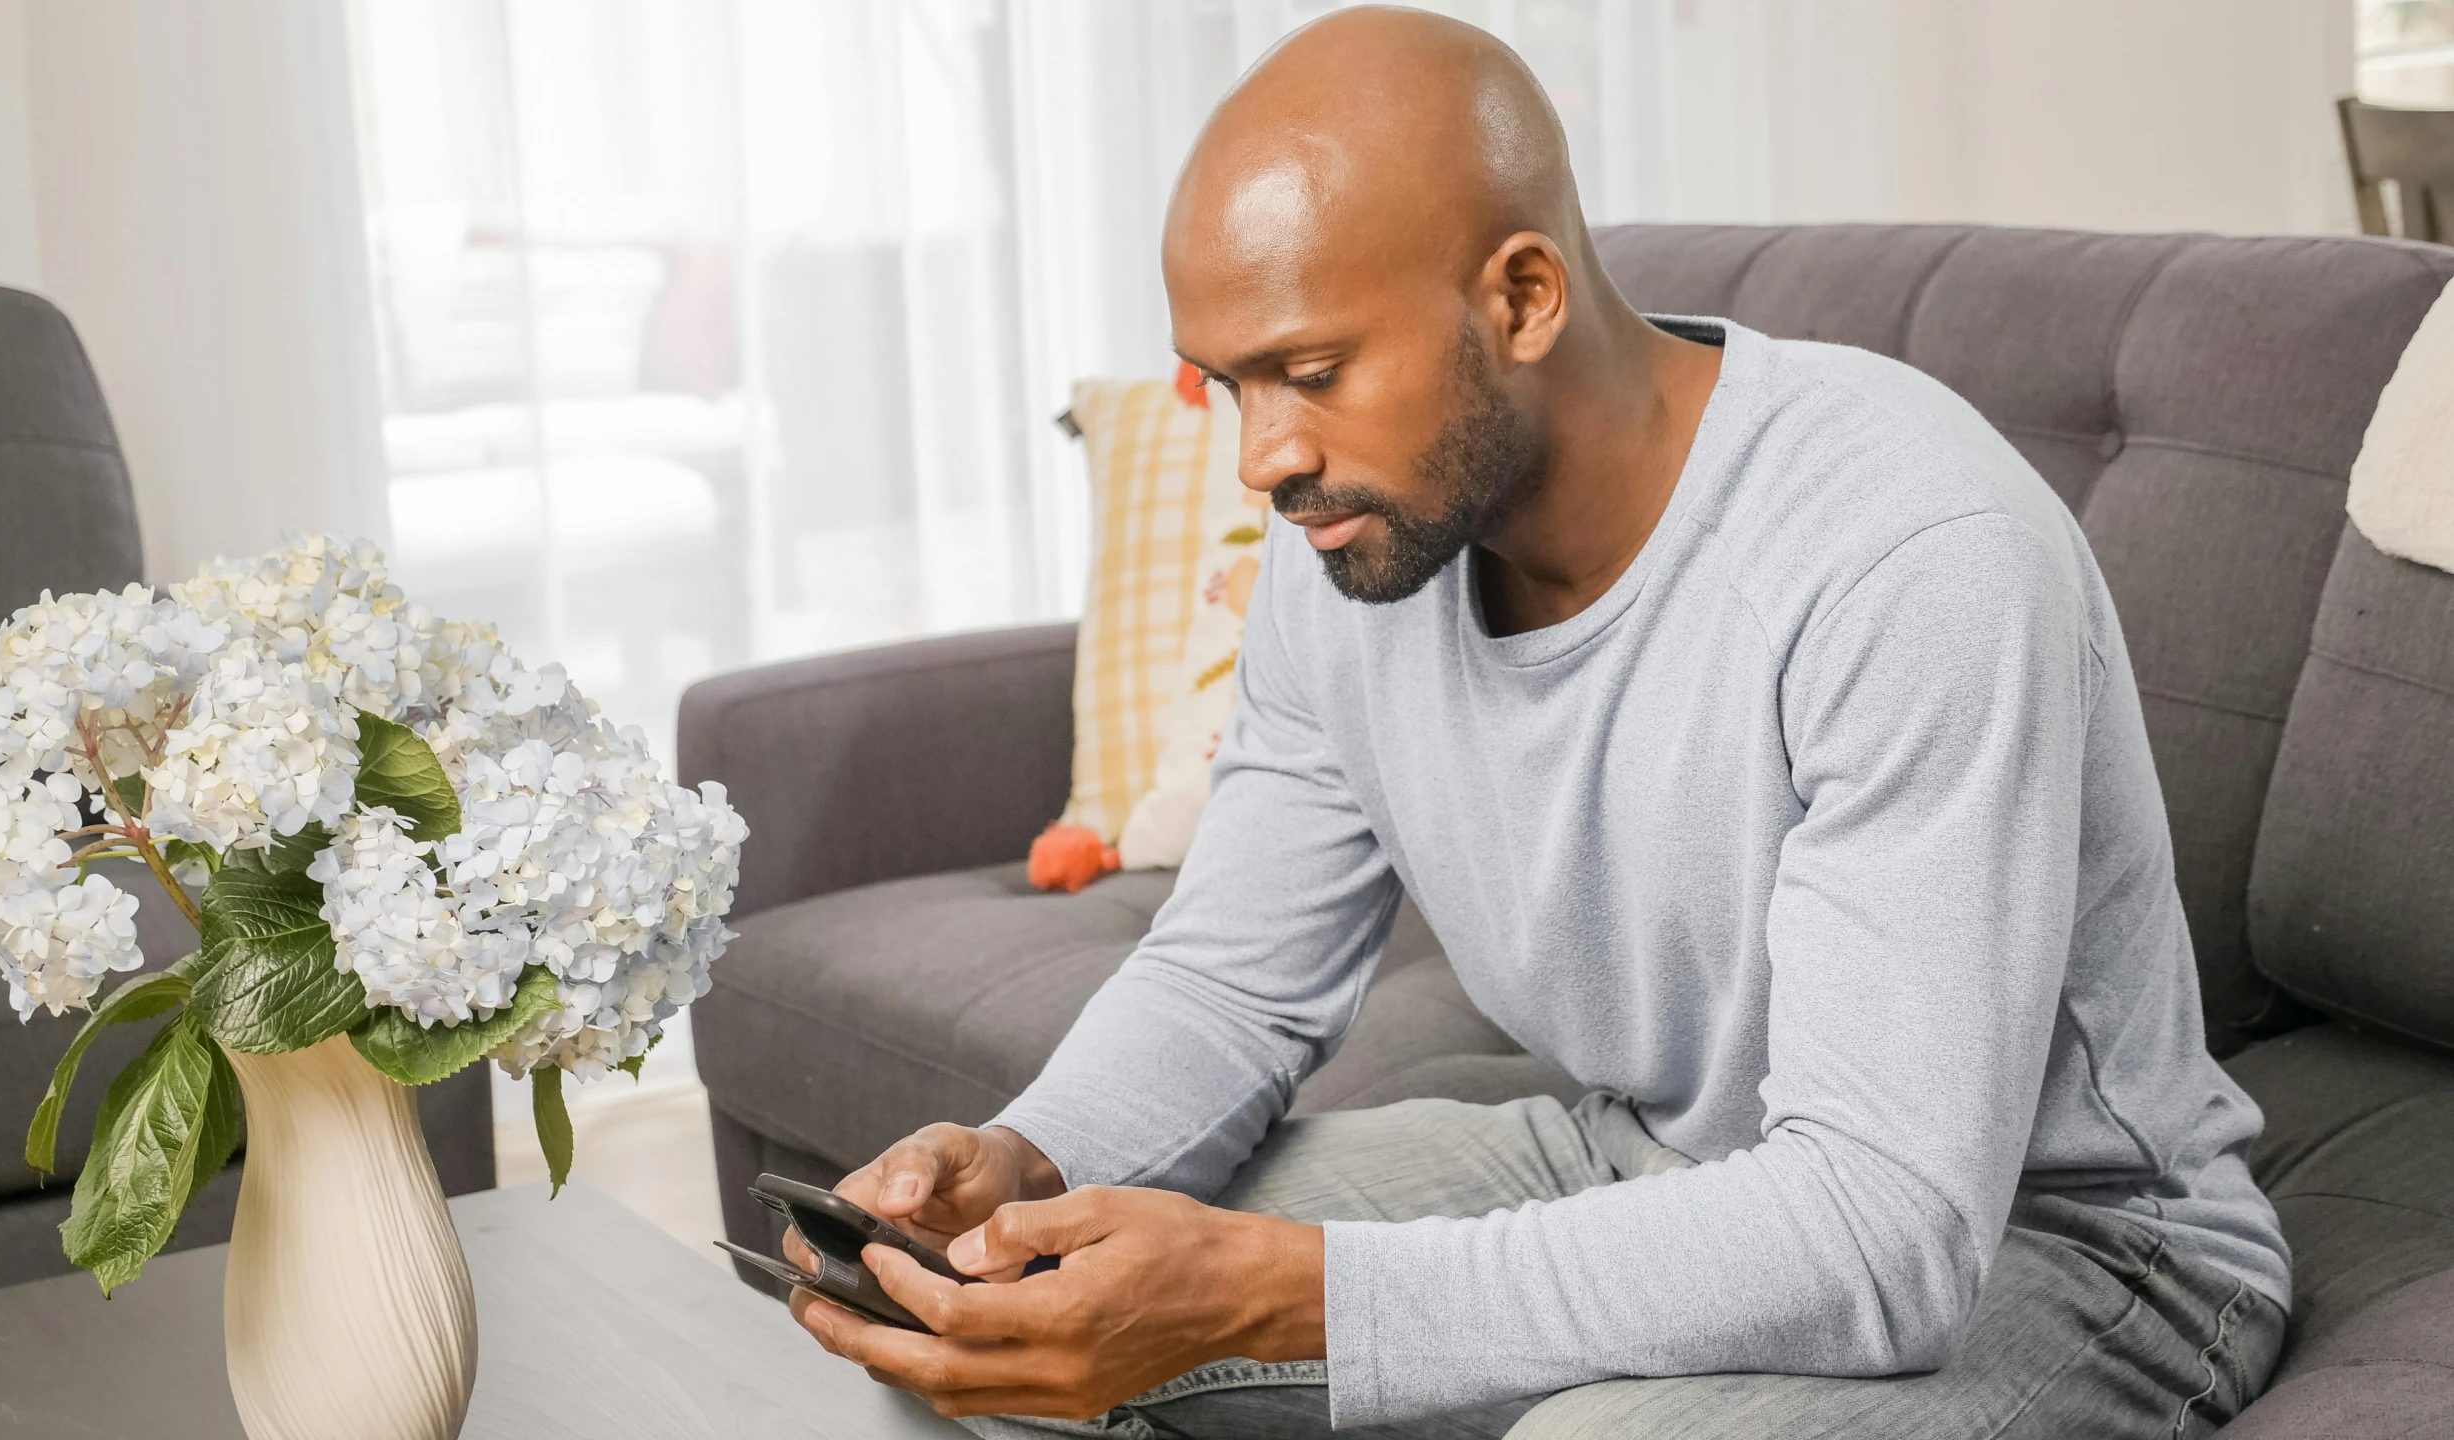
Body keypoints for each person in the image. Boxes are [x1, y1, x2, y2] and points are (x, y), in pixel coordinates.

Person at [783, 7, 2291, 1437]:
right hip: (1654, 1158)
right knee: (1026, 1304)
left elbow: (1885, 1226)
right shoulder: (1353, 549)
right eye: (1226, 387)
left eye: (1309, 375)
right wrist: (1033, 1161)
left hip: (2081, 1248)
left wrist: (1293, 1299)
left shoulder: (1906, 551)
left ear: (1521, 296)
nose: (1263, 457)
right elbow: (1231, 984)